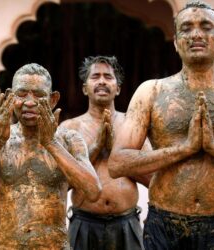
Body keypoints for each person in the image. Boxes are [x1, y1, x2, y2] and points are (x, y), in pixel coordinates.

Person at [108, 1, 214, 249]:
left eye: (206, 27)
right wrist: (183, 149)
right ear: (175, 42)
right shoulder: (151, 92)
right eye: (186, 28)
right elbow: (118, 163)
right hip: (164, 226)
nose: (196, 34)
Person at [0, 63, 101, 249]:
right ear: (10, 97)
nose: (30, 102)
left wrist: (51, 143)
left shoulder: (69, 139)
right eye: (22, 94)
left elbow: (93, 191)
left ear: (53, 99)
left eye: (39, 95)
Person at [60, 56, 150, 250]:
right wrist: (94, 150)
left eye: (108, 76)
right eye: (95, 76)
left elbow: (153, 179)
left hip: (126, 223)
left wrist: (116, 155)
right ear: (85, 88)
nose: (102, 81)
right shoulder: (69, 128)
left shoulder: (133, 126)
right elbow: (60, 185)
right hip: (83, 224)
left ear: (117, 88)